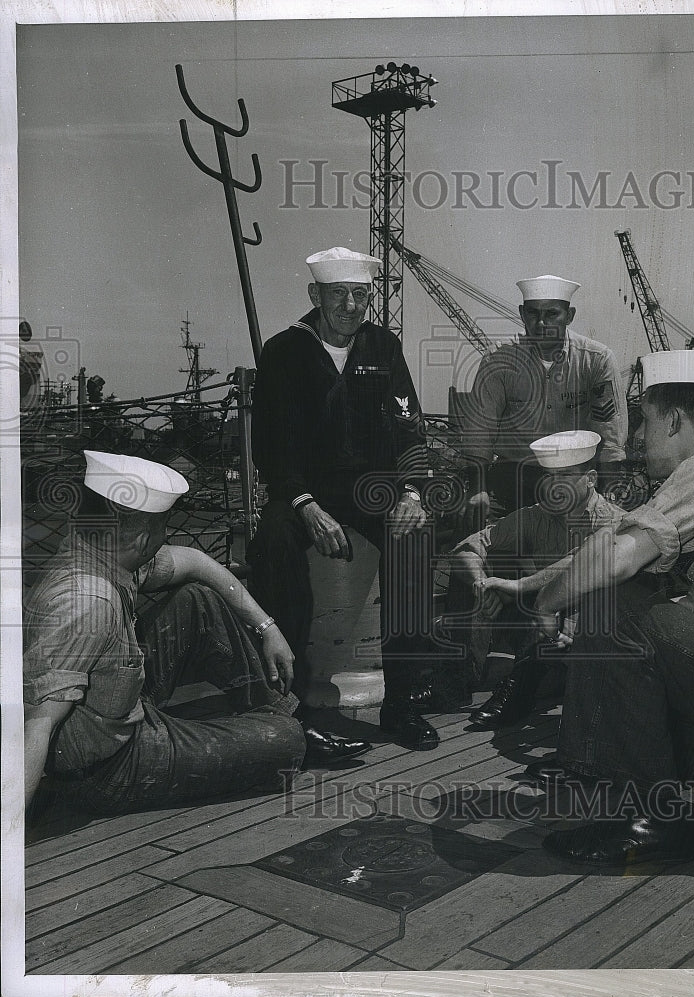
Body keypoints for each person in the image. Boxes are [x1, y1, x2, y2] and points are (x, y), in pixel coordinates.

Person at [504, 350, 694, 867]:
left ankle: (654, 820)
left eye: (646, 422)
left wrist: (547, 604)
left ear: (673, 419)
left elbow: (614, 559)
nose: (638, 439)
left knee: (618, 605)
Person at [23, 450, 333, 817]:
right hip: (104, 771)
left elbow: (196, 563)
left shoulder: (98, 550)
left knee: (197, 599)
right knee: (284, 743)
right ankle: (291, 730)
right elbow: (35, 726)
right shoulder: (86, 602)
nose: (164, 537)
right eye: (161, 527)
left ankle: (282, 713)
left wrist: (267, 628)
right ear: (140, 535)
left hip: (111, 713)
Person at [247, 247, 438, 752]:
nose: (352, 306)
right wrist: (306, 505)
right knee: (273, 542)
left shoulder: (382, 346)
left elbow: (409, 429)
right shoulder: (284, 351)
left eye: (360, 295)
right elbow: (272, 448)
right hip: (302, 488)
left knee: (416, 542)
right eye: (339, 295)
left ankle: (403, 701)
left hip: (370, 487)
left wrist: (413, 492)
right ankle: (295, 709)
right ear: (316, 296)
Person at [446, 430, 624, 728]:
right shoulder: (535, 516)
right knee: (482, 583)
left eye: (565, 475)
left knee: (543, 603)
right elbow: (468, 547)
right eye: (550, 476)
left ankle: (518, 689)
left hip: (598, 635)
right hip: (553, 632)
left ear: (591, 478)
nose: (555, 486)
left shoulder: (615, 520)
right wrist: (482, 584)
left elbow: (580, 563)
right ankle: (457, 682)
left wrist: (516, 587)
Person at [459, 274, 627, 523]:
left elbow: (610, 438)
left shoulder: (597, 360)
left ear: (569, 315)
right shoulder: (498, 360)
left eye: (551, 314)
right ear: (521, 313)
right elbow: (479, 432)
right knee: (473, 535)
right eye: (532, 313)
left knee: (596, 544)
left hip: (574, 477)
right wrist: (477, 489)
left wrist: (609, 495)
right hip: (513, 478)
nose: (540, 323)